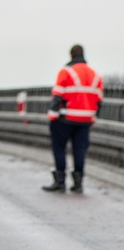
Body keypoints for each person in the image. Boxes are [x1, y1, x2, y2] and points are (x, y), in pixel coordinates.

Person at [42, 44, 103, 193]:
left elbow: (57, 96)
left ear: (71, 56)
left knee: (59, 148)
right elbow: (99, 101)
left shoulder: (66, 71)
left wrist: (52, 115)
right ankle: (78, 183)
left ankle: (60, 181)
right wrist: (92, 117)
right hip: (85, 121)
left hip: (65, 118)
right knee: (80, 150)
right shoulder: (95, 75)